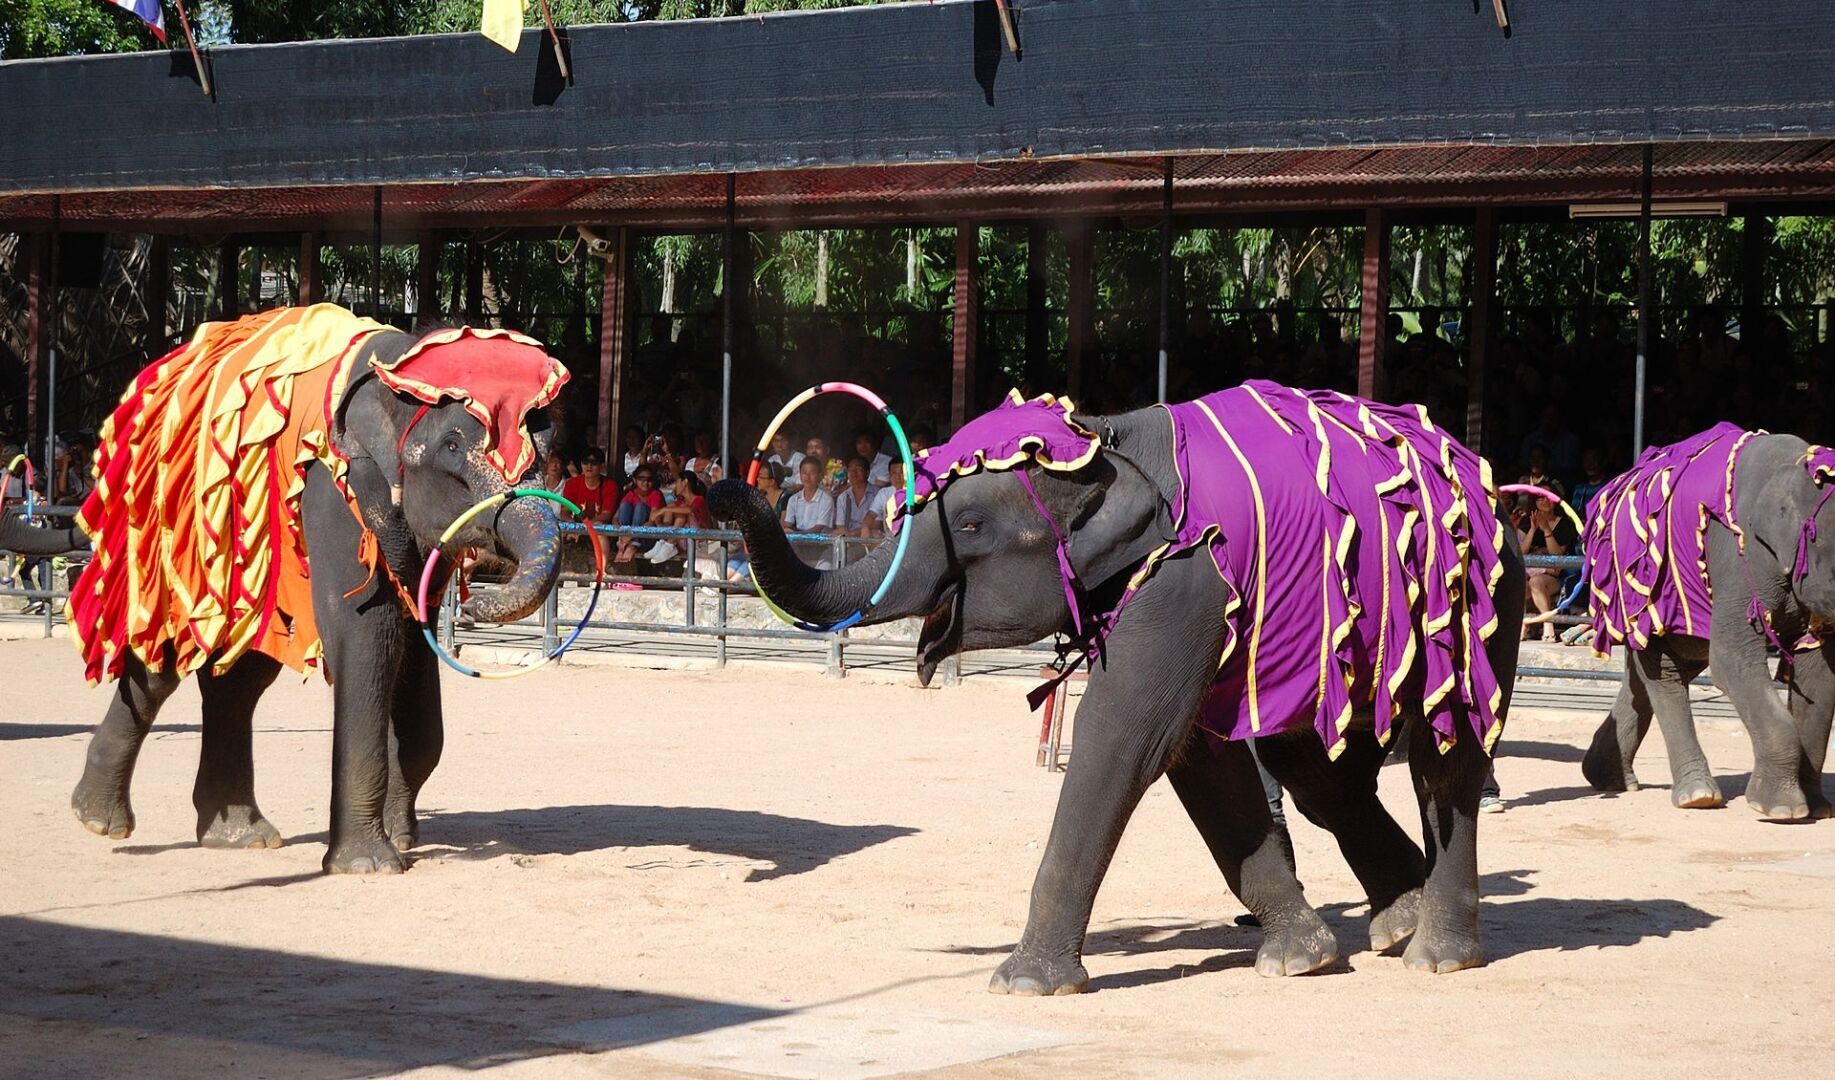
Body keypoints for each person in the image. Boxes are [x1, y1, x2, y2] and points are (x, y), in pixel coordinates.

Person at [1519, 491, 1576, 643]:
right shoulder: (1526, 521)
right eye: (1540, 498)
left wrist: (1546, 529)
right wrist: (1532, 529)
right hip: (1527, 574)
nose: (1545, 501)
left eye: (1548, 497)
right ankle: (1523, 623)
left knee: (1536, 582)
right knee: (1520, 583)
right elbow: (1520, 552)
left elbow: (1557, 556)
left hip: (1554, 577)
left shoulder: (1565, 524)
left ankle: (1547, 622)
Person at [644, 473, 711, 564]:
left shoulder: (699, 499)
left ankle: (669, 544)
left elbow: (689, 510)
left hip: (702, 541)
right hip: (685, 539)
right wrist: (661, 517)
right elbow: (654, 516)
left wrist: (665, 509)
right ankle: (663, 542)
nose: (675, 486)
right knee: (672, 507)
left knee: (680, 510)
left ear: (685, 482)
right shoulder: (680, 502)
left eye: (677, 482)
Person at [782, 457, 837, 570]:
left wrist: (796, 535)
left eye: (812, 473)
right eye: (804, 472)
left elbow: (818, 529)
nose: (807, 477)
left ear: (820, 476)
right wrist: (789, 532)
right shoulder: (793, 499)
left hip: (820, 545)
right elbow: (787, 525)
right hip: (799, 544)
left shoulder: (826, 499)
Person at [613, 466, 665, 565]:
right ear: (635, 480)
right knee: (625, 506)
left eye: (649, 480)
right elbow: (615, 518)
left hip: (646, 538)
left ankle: (632, 545)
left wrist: (631, 535)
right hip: (626, 537)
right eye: (642, 479)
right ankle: (623, 545)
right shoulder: (631, 494)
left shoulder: (655, 494)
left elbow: (651, 521)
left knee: (640, 507)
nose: (646, 483)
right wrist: (622, 533)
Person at [560, 449, 618, 525]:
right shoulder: (572, 483)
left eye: (594, 463)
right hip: (577, 527)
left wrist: (588, 526)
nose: (589, 466)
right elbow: (565, 511)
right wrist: (572, 524)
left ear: (602, 466)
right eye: (585, 462)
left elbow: (606, 515)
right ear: (581, 464)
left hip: (599, 528)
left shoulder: (610, 485)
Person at [832, 456, 884, 538]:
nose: (853, 473)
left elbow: (876, 525)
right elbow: (840, 527)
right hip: (848, 541)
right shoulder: (843, 497)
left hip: (869, 539)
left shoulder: (878, 494)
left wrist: (852, 534)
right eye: (850, 470)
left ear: (867, 473)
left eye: (858, 469)